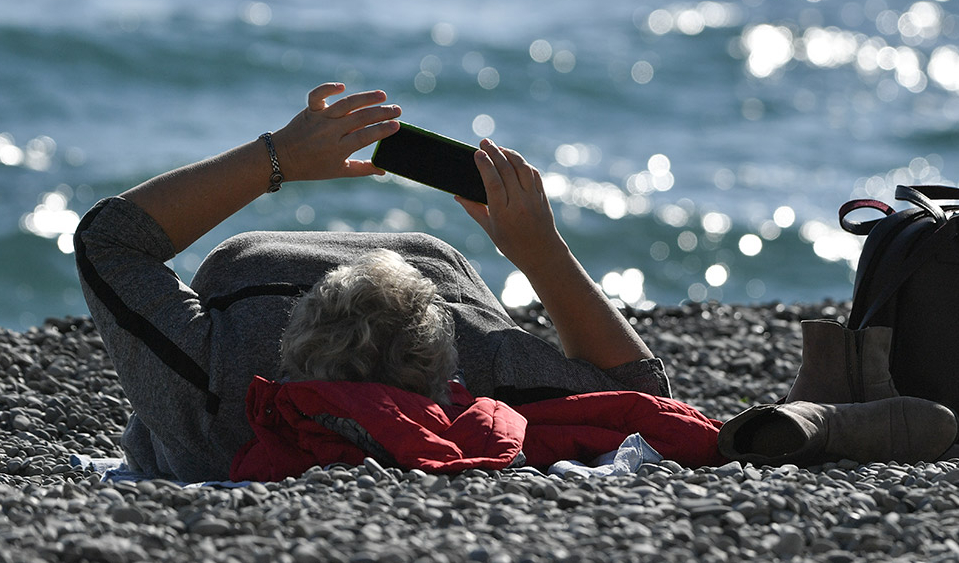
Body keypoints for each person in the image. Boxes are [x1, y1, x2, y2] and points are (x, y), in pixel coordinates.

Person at [74, 83, 671, 482]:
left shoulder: (217, 388)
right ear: (446, 389)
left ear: (291, 340)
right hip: (430, 281)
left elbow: (108, 239)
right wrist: (540, 251)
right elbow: (643, 396)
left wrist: (276, 158)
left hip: (379, 281)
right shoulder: (482, 355)